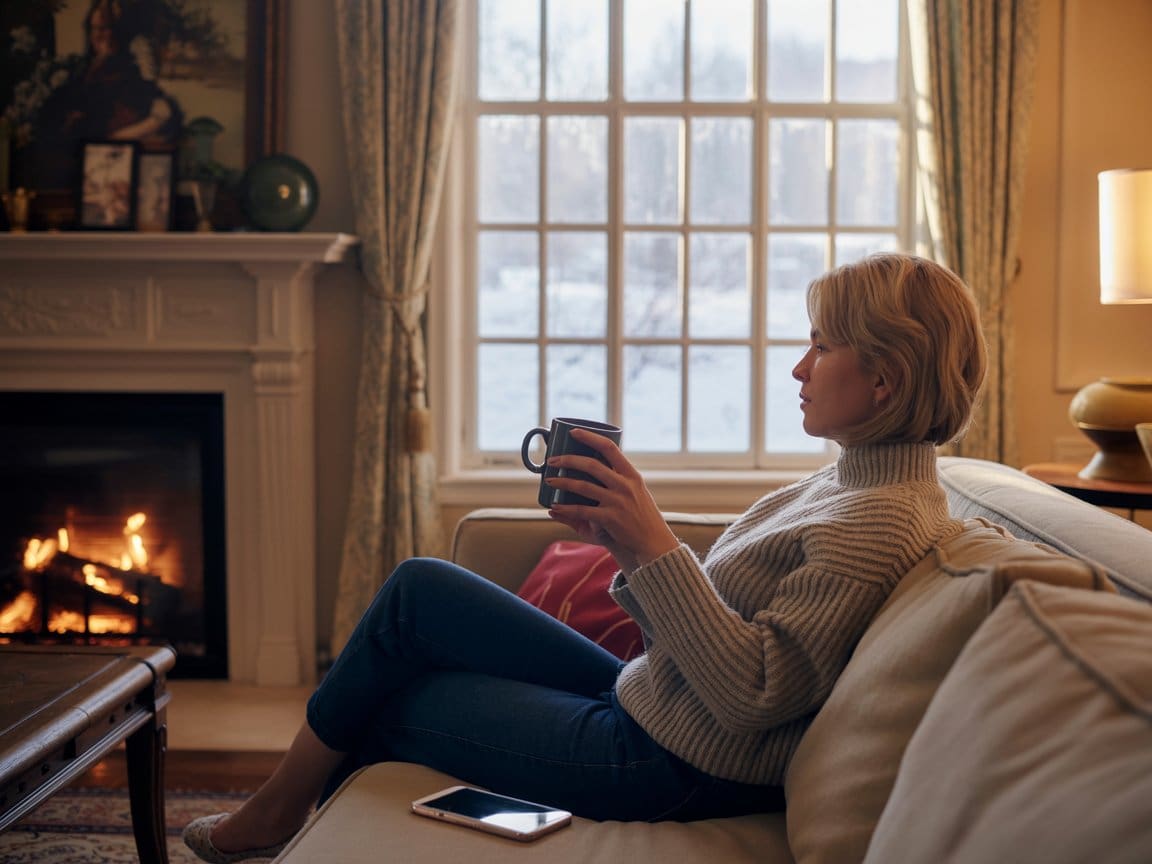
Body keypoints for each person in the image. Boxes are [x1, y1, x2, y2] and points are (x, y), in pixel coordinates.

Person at [183, 253, 988, 863]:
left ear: (884, 377)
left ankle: (278, 824)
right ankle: (281, 814)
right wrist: (629, 538)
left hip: (673, 761)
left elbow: (757, 694)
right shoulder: (852, 481)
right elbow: (725, 622)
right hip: (656, 701)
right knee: (419, 592)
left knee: (400, 703)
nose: (799, 368)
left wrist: (650, 542)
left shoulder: (879, 520)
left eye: (821, 346)